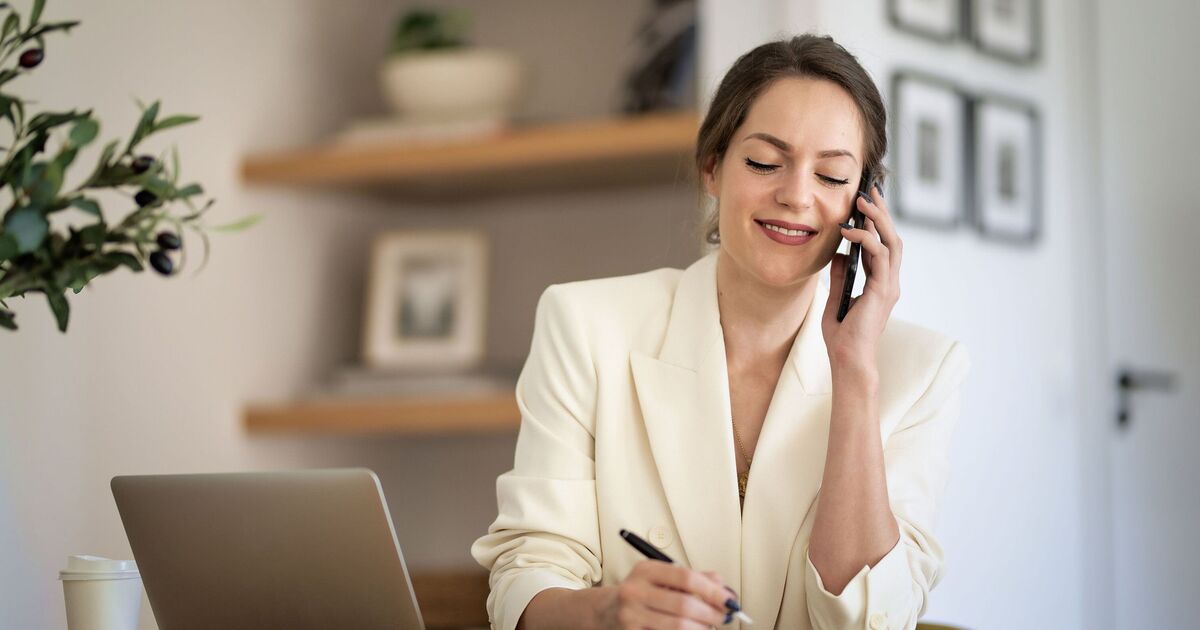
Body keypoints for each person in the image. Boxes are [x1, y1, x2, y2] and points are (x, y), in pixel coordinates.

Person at [471, 33, 970, 630]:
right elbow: (528, 577)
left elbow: (870, 620)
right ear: (713, 167)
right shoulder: (584, 325)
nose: (795, 196)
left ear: (865, 204)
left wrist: (855, 371)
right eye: (764, 163)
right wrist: (608, 611)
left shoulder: (921, 370)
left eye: (833, 176)